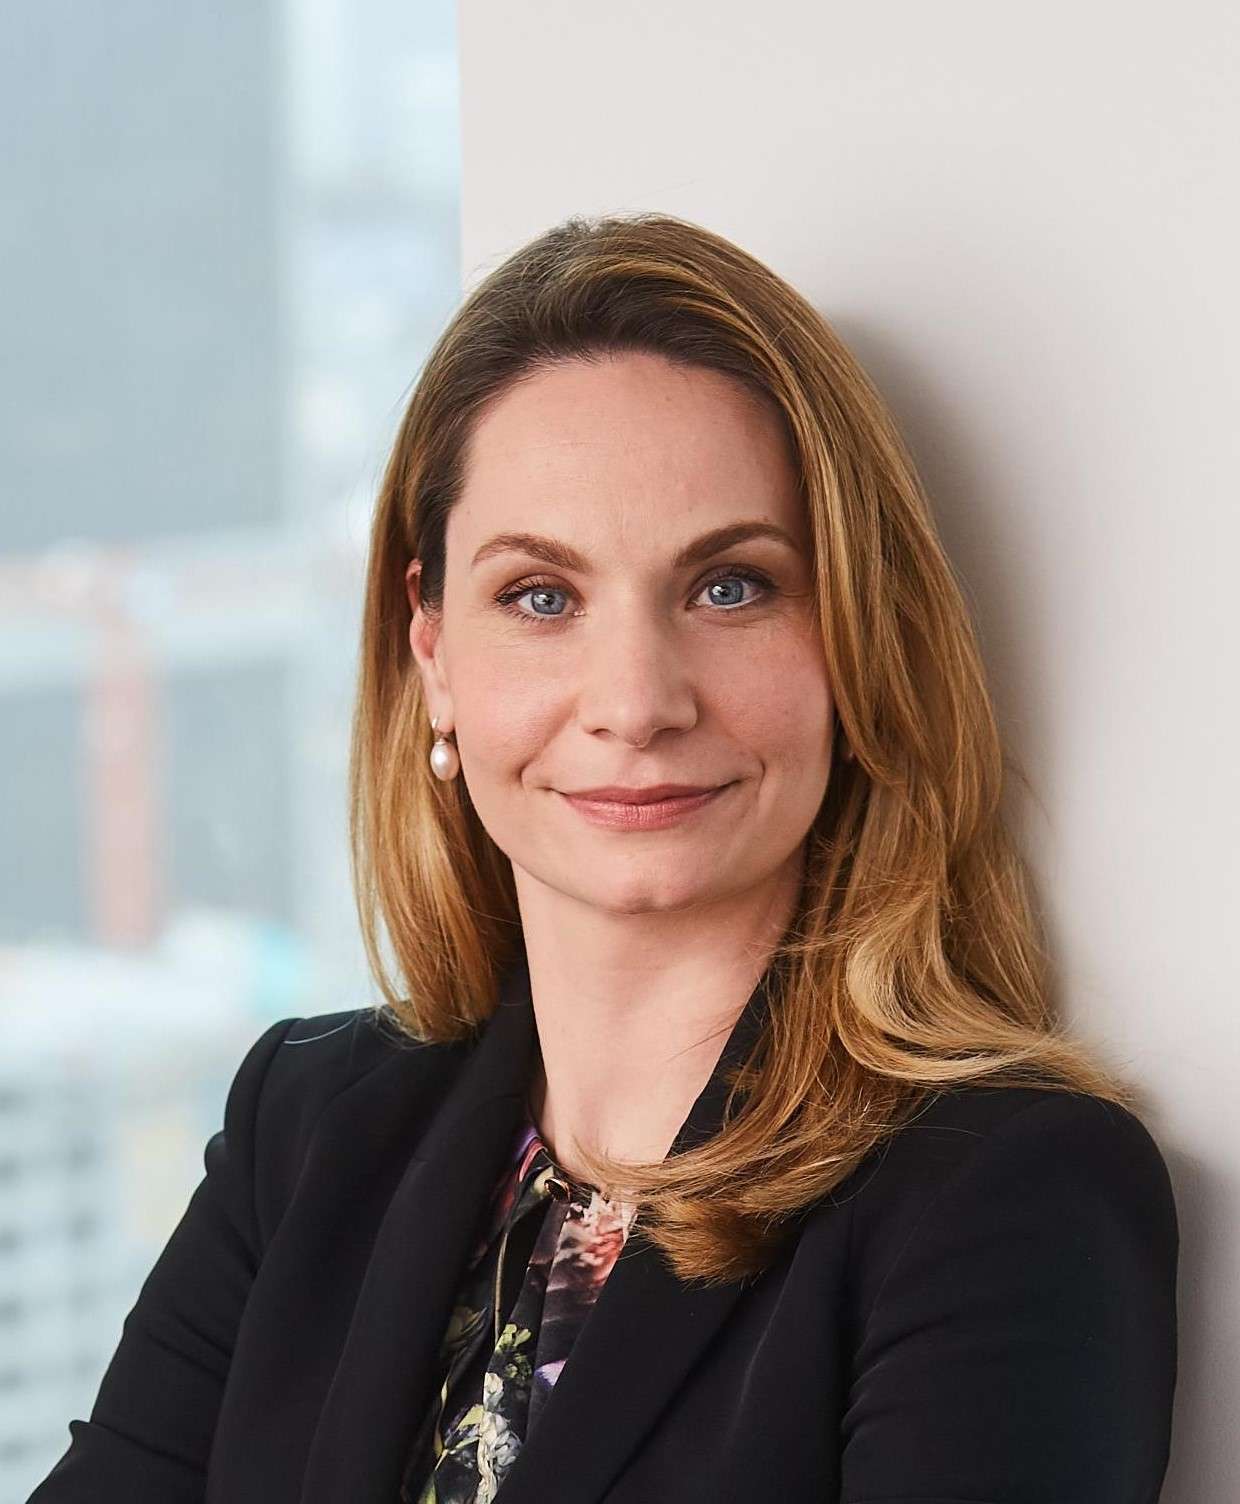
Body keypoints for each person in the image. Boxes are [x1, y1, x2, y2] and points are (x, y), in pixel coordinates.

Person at [27, 211, 1179, 1504]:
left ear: (856, 636)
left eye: (730, 586)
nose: (635, 703)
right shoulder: (303, 1131)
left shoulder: (1009, 1199)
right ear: (431, 649)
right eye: (541, 597)